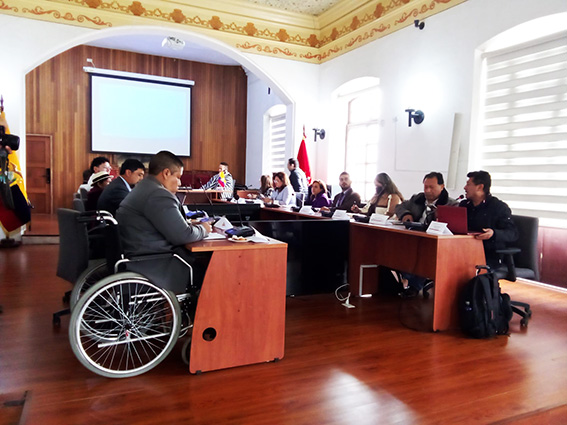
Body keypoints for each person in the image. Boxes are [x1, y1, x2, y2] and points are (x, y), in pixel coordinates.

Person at [395, 172, 459, 298]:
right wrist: (406, 214)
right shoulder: (417, 199)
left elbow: (453, 228)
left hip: (436, 242)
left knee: (424, 252)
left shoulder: (451, 204)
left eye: (431, 187)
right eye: (425, 187)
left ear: (442, 186)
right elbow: (399, 207)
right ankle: (402, 279)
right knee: (396, 246)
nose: (427, 191)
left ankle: (414, 285)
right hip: (413, 236)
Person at [461, 170, 518, 268]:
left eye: (468, 184)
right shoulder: (464, 205)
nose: (465, 188)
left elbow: (512, 233)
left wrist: (493, 233)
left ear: (480, 187)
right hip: (464, 251)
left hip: (488, 255)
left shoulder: (499, 207)